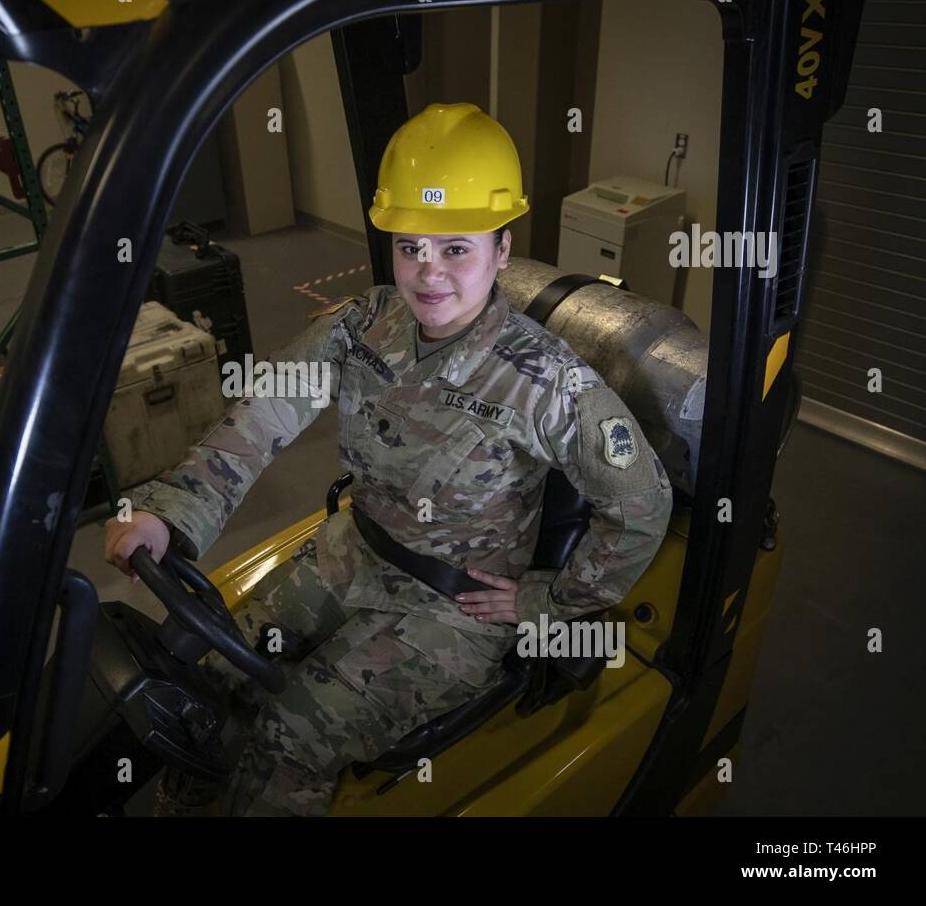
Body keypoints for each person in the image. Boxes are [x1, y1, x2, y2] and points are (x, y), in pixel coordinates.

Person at [103, 102, 674, 816]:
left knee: (292, 732)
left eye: (456, 248)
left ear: (503, 249)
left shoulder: (548, 383)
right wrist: (170, 510)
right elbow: (266, 410)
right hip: (350, 554)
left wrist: (549, 603)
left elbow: (642, 503)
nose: (428, 274)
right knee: (215, 683)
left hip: (454, 612)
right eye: (411, 248)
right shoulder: (361, 325)